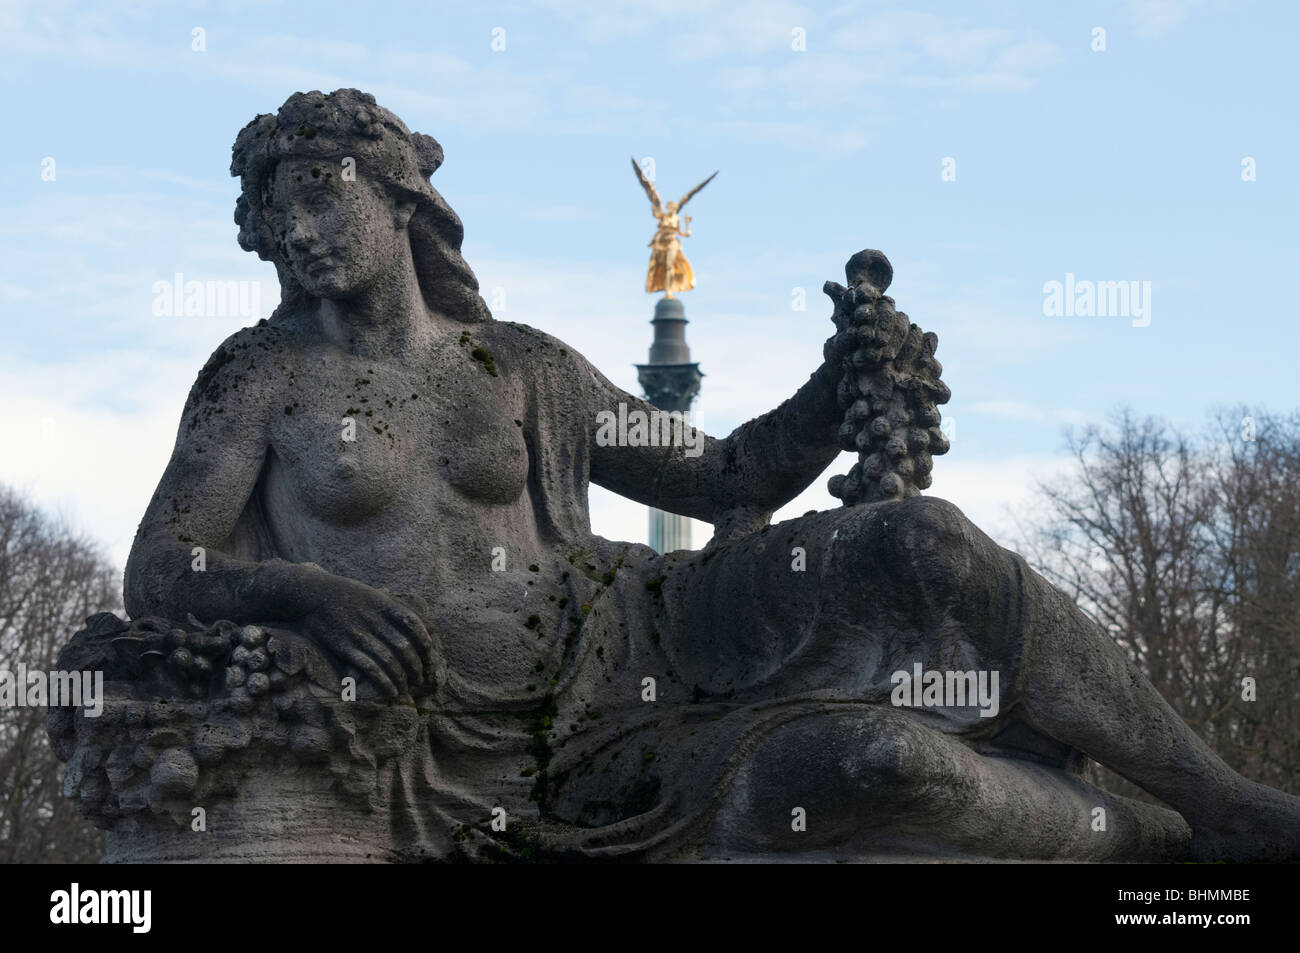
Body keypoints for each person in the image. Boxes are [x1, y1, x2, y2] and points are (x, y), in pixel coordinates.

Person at [124, 89, 1298, 861]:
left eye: (319, 194)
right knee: (874, 760)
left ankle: (1216, 794)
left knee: (921, 538)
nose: (297, 230)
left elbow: (730, 472)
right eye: (274, 213)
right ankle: (1151, 841)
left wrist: (838, 384)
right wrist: (303, 590)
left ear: (397, 197)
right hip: (513, 753)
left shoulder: (519, 362)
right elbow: (162, 566)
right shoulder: (258, 377)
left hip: (643, 623)